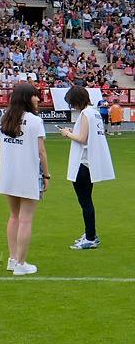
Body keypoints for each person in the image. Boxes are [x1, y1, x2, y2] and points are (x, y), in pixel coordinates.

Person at [0, 83, 49, 275]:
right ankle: (21, 264)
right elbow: (41, 151)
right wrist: (47, 174)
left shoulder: (6, 118)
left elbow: (1, 146)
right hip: (28, 173)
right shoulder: (34, 120)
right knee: (25, 219)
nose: (38, 99)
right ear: (27, 98)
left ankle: (12, 258)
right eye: (35, 96)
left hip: (9, 174)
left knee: (14, 216)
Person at [61, 85, 113, 250]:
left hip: (83, 164)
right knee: (87, 201)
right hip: (90, 163)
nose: (72, 106)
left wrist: (67, 133)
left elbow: (83, 138)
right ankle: (90, 234)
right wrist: (71, 131)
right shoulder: (94, 112)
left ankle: (90, 237)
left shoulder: (85, 113)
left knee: (85, 202)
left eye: (72, 103)